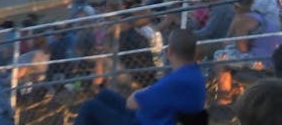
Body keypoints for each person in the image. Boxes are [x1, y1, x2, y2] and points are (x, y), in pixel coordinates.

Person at [74, 29, 206, 125]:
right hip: (153, 117)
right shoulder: (195, 74)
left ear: (169, 51)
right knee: (105, 95)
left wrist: (144, 91)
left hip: (141, 122)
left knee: (89, 107)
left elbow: (132, 103)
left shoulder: (175, 80)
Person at [213, 0, 282, 105]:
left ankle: (223, 100)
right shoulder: (269, 21)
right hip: (275, 60)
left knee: (219, 57)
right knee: (228, 52)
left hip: (262, 61)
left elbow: (242, 49)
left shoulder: (245, 18)